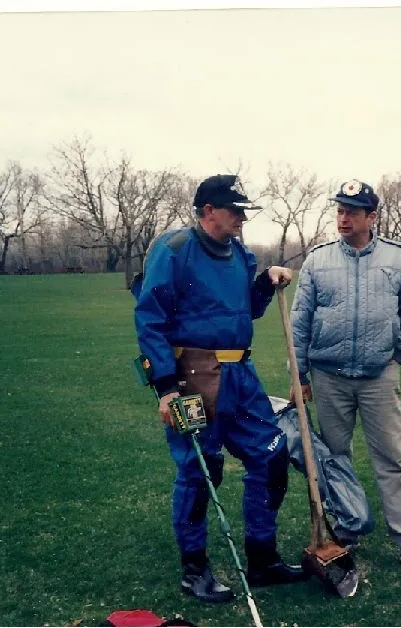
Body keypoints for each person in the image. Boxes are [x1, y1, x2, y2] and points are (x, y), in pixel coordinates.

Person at [132, 174, 307, 604]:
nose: (242, 219)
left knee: (272, 455)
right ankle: (195, 570)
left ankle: (262, 559)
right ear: (208, 210)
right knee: (200, 470)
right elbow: (150, 319)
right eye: (235, 210)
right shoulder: (174, 251)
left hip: (241, 376)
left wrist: (266, 282)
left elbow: (246, 309)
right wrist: (167, 390)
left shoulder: (241, 255)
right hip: (192, 377)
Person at [289, 179, 401, 577]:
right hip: (328, 378)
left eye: (352, 212)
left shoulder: (398, 259)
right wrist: (299, 375)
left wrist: (397, 353)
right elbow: (299, 323)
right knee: (334, 461)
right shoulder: (318, 261)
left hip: (378, 378)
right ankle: (346, 530)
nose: (343, 218)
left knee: (393, 460)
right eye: (339, 211)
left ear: (371, 217)